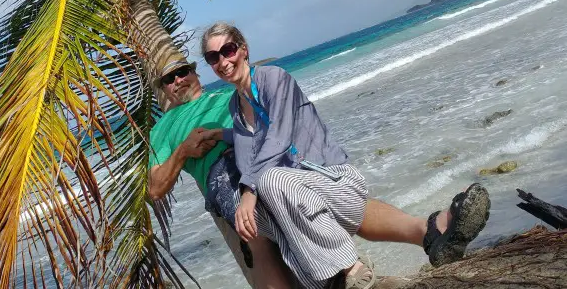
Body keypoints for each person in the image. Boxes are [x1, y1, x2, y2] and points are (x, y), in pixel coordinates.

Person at [200, 21, 492, 289]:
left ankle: (348, 271)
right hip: (299, 197)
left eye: (228, 50)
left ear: (243, 48)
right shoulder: (235, 108)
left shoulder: (272, 78)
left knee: (271, 181)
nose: (223, 61)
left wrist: (248, 188)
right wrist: (221, 135)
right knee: (260, 207)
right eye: (213, 57)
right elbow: (249, 144)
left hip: (330, 178)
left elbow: (277, 136)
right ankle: (435, 232)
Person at [147, 58, 294, 289]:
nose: (178, 80)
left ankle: (347, 272)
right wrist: (184, 150)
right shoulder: (162, 128)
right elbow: (155, 188)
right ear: (164, 88)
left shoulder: (229, 95)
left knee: (301, 201)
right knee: (256, 232)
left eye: (183, 72)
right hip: (222, 169)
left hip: (257, 152)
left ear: (195, 74)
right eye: (169, 79)